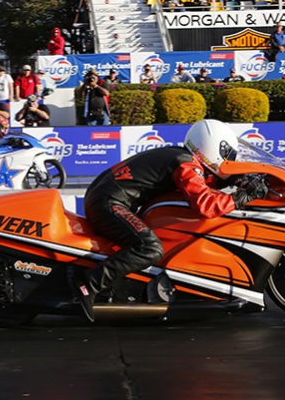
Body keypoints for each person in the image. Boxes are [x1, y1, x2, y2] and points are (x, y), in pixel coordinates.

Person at [73, 119, 269, 322]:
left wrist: (237, 179)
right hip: (109, 203)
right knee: (149, 248)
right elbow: (205, 204)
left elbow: (204, 184)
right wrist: (243, 196)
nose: (230, 159)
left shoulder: (181, 156)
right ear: (214, 147)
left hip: (106, 198)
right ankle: (89, 284)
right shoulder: (185, 163)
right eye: (229, 154)